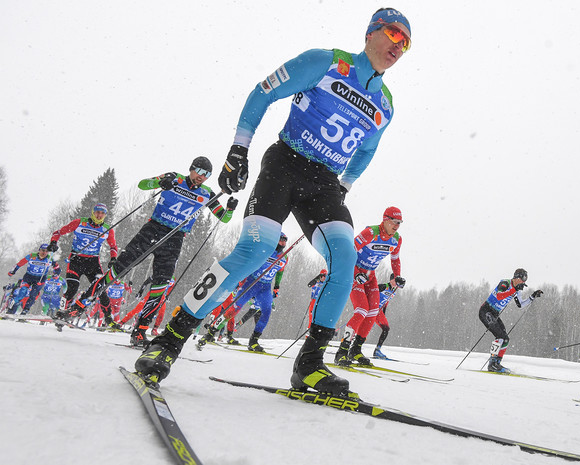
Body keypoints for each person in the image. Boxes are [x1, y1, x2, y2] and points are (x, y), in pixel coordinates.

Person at [135, 8, 411, 396]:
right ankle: (169, 339)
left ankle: (310, 364)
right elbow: (263, 91)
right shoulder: (327, 62)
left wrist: (344, 186)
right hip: (285, 163)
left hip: (325, 183)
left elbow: (367, 150)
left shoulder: (385, 104)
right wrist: (238, 150)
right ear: (370, 33)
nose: (399, 46)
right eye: (394, 34)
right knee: (255, 250)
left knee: (345, 259)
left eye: (407, 42)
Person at [57, 157, 237, 343]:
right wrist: (160, 182)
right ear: (191, 169)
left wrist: (230, 209)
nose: (202, 177)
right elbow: (143, 185)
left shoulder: (207, 192)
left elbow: (223, 218)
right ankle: (77, 307)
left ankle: (140, 330)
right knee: (116, 271)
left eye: (207, 174)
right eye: (199, 171)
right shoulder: (174, 177)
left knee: (161, 285)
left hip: (175, 239)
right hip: (152, 230)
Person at [334, 206, 406, 367]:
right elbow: (349, 252)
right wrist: (354, 272)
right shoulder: (371, 233)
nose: (396, 226)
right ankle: (342, 351)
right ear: (385, 220)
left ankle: (356, 350)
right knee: (361, 310)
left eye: (399, 223)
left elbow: (395, 259)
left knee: (373, 311)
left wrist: (396, 276)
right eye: (394, 222)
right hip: (355, 272)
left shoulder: (396, 239)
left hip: (370, 275)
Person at [48, 203, 118, 326]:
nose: (99, 215)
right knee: (73, 287)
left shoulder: (107, 229)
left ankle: (108, 319)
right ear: (93, 212)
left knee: (100, 289)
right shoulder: (80, 222)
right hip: (76, 260)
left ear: (105, 215)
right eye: (97, 212)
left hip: (93, 262)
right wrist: (53, 242)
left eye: (102, 213)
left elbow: (113, 246)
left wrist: (113, 258)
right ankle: (62, 312)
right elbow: (58, 232)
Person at [478, 268, 543, 373]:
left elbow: (520, 304)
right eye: (522, 280)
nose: (523, 282)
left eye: (525, 281)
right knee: (500, 336)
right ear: (516, 277)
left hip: (494, 314)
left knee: (506, 339)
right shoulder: (505, 283)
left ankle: (496, 363)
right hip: (486, 310)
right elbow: (499, 296)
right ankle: (492, 364)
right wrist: (514, 289)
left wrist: (532, 297)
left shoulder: (516, 289)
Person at [7, 244, 61, 315]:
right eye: (43, 250)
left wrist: (56, 274)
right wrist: (13, 271)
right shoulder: (32, 256)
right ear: (39, 250)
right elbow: (20, 263)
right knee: (22, 294)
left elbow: (58, 269)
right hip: (28, 277)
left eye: (46, 251)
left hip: (40, 280)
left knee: (33, 295)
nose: (44, 253)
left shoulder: (50, 258)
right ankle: (10, 308)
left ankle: (25, 311)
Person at [371, 273, 403, 360]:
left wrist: (383, 315)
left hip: (379, 312)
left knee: (386, 329)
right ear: (391, 280)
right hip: (373, 309)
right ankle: (348, 344)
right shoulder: (384, 286)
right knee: (363, 328)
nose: (397, 285)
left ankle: (377, 350)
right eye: (396, 282)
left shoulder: (393, 291)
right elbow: (370, 292)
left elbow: (385, 303)